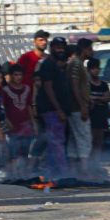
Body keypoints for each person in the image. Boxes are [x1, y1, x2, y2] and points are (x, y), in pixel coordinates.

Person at [36, 42, 73, 179]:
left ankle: (55, 173)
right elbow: (48, 87)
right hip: (51, 110)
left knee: (56, 141)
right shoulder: (48, 65)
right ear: (51, 49)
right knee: (56, 142)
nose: (60, 50)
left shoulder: (59, 66)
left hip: (58, 110)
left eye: (62, 47)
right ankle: (60, 173)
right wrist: (59, 110)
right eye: (57, 47)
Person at [66, 38, 94, 177]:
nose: (92, 51)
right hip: (77, 108)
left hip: (75, 107)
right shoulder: (76, 64)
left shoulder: (78, 63)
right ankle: (84, 171)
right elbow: (74, 85)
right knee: (84, 139)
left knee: (74, 140)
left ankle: (72, 172)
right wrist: (83, 105)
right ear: (84, 49)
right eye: (90, 49)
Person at [2, 64, 36, 178]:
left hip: (25, 127)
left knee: (25, 153)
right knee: (13, 153)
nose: (18, 77)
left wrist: (33, 123)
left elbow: (29, 106)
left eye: (20, 75)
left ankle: (24, 175)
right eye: (16, 75)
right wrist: (7, 122)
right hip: (13, 127)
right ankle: (13, 175)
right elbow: (3, 108)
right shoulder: (6, 90)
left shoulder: (27, 89)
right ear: (11, 76)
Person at [87, 58, 110, 176]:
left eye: (97, 68)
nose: (95, 71)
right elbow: (87, 98)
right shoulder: (87, 85)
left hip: (101, 115)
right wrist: (99, 99)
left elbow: (109, 97)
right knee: (91, 141)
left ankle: (96, 164)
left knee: (99, 141)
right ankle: (89, 166)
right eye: (93, 68)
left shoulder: (103, 84)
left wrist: (96, 99)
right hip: (91, 116)